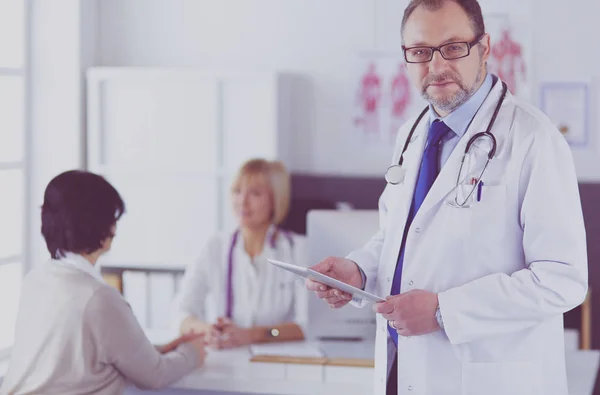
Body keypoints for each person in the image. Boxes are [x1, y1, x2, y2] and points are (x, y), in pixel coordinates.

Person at [306, 1, 588, 394]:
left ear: (484, 49)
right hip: (401, 369)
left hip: (488, 380)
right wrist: (359, 271)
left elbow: (562, 280)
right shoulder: (411, 135)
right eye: (420, 52)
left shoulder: (533, 140)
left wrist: (443, 311)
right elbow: (397, 238)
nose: (436, 66)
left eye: (454, 47)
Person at [0, 170, 206, 395]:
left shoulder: (36, 279)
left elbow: (75, 358)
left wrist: (156, 350)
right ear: (101, 226)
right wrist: (192, 353)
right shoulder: (98, 298)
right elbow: (156, 375)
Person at [175, 158, 306, 349]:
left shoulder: (298, 250)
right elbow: (182, 312)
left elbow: (305, 326)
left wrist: (251, 335)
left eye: (255, 193)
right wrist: (205, 329)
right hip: (226, 359)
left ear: (275, 200)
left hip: (280, 362)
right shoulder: (215, 247)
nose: (242, 201)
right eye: (237, 191)